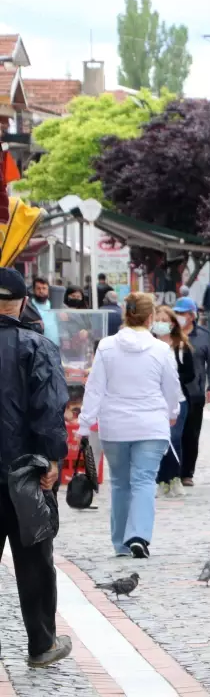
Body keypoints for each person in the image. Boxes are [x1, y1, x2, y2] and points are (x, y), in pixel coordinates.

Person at [0, 268, 72, 667]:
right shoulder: (36, 345)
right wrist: (53, 458)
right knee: (33, 560)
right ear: (25, 302)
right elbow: (49, 409)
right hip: (24, 471)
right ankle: (42, 644)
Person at [79, 293, 183, 559]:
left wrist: (85, 422)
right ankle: (138, 535)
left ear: (126, 314)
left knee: (120, 483)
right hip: (150, 424)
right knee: (144, 480)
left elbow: (95, 388)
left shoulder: (106, 347)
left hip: (114, 425)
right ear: (150, 318)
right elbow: (172, 389)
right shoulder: (161, 350)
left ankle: (121, 542)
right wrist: (173, 412)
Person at [173, 296, 210, 487]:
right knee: (174, 433)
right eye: (177, 313)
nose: (179, 316)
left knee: (191, 433)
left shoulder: (203, 335)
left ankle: (187, 472)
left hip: (195, 393)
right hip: (172, 392)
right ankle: (172, 470)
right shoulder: (170, 334)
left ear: (192, 315)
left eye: (182, 313)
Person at [152, 306, 194, 499]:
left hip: (178, 400)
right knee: (160, 441)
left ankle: (175, 477)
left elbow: (190, 373)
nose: (160, 323)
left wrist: (172, 379)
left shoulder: (181, 346)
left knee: (175, 438)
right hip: (154, 402)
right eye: (157, 319)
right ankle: (162, 479)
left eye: (164, 319)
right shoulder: (149, 345)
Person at [29, 277, 59, 346]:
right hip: (38, 347)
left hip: (55, 346)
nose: (41, 291)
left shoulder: (55, 304)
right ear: (33, 290)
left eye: (44, 288)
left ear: (48, 290)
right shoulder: (27, 306)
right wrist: (32, 324)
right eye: (38, 288)